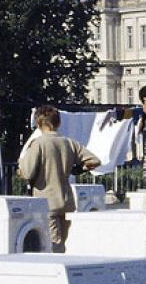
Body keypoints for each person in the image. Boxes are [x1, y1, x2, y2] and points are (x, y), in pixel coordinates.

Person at [17, 105, 101, 252]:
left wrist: (20, 172)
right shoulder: (69, 142)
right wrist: (78, 169)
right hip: (67, 201)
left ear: (38, 123)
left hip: (46, 202)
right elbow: (94, 161)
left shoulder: (38, 144)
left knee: (53, 246)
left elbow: (28, 173)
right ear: (58, 123)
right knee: (63, 244)